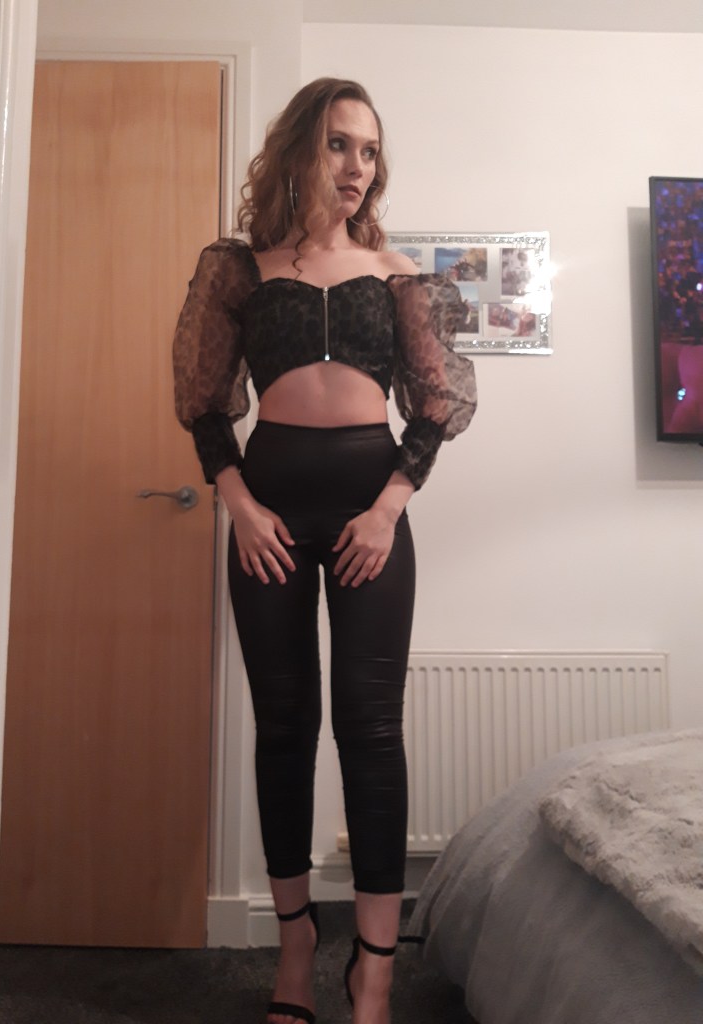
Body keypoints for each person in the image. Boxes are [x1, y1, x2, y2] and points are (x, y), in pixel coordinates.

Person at [173, 77, 477, 1024]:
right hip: (265, 509)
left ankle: (374, 970)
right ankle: (297, 946)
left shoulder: (396, 273)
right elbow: (203, 404)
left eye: (371, 151)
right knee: (283, 727)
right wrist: (237, 504)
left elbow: (436, 405)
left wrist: (387, 509)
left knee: (371, 729)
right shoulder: (239, 268)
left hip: (368, 508)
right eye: (341, 144)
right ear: (302, 148)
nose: (358, 167)